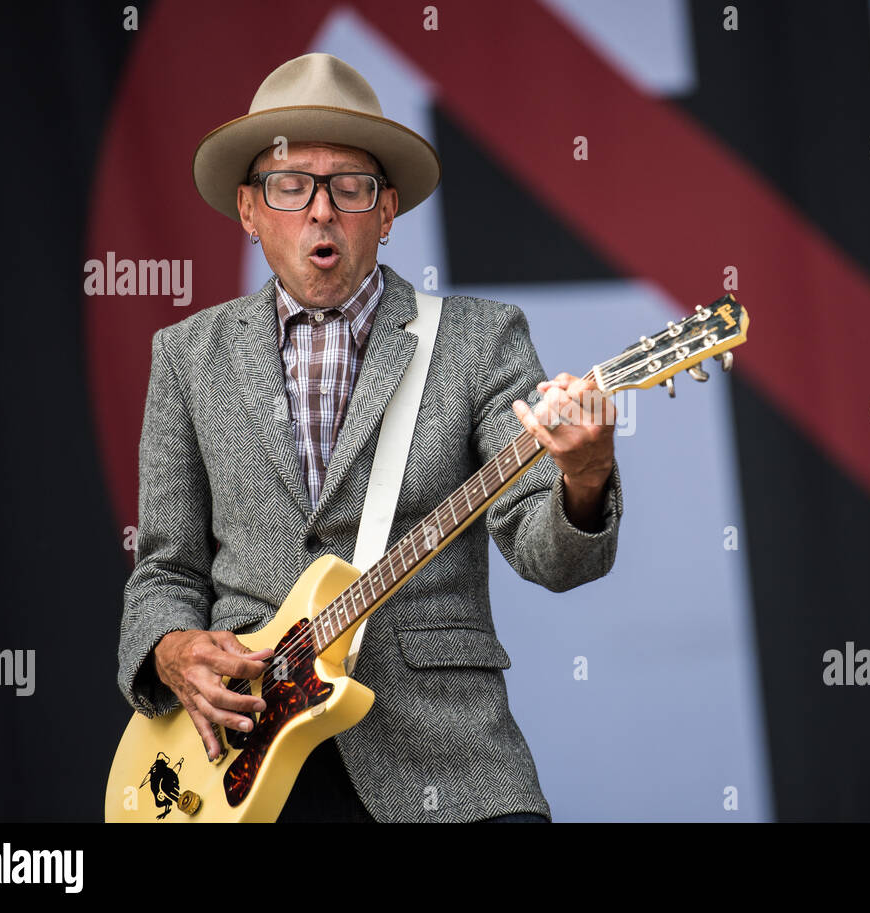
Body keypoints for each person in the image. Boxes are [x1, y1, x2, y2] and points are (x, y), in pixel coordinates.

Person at [116, 53, 623, 823]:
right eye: (291, 185)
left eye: (349, 187)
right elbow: (164, 569)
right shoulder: (187, 357)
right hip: (235, 764)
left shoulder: (480, 340)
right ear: (249, 211)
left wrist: (583, 478)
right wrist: (171, 649)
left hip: (450, 763)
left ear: (385, 213)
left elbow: (544, 550)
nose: (321, 210)